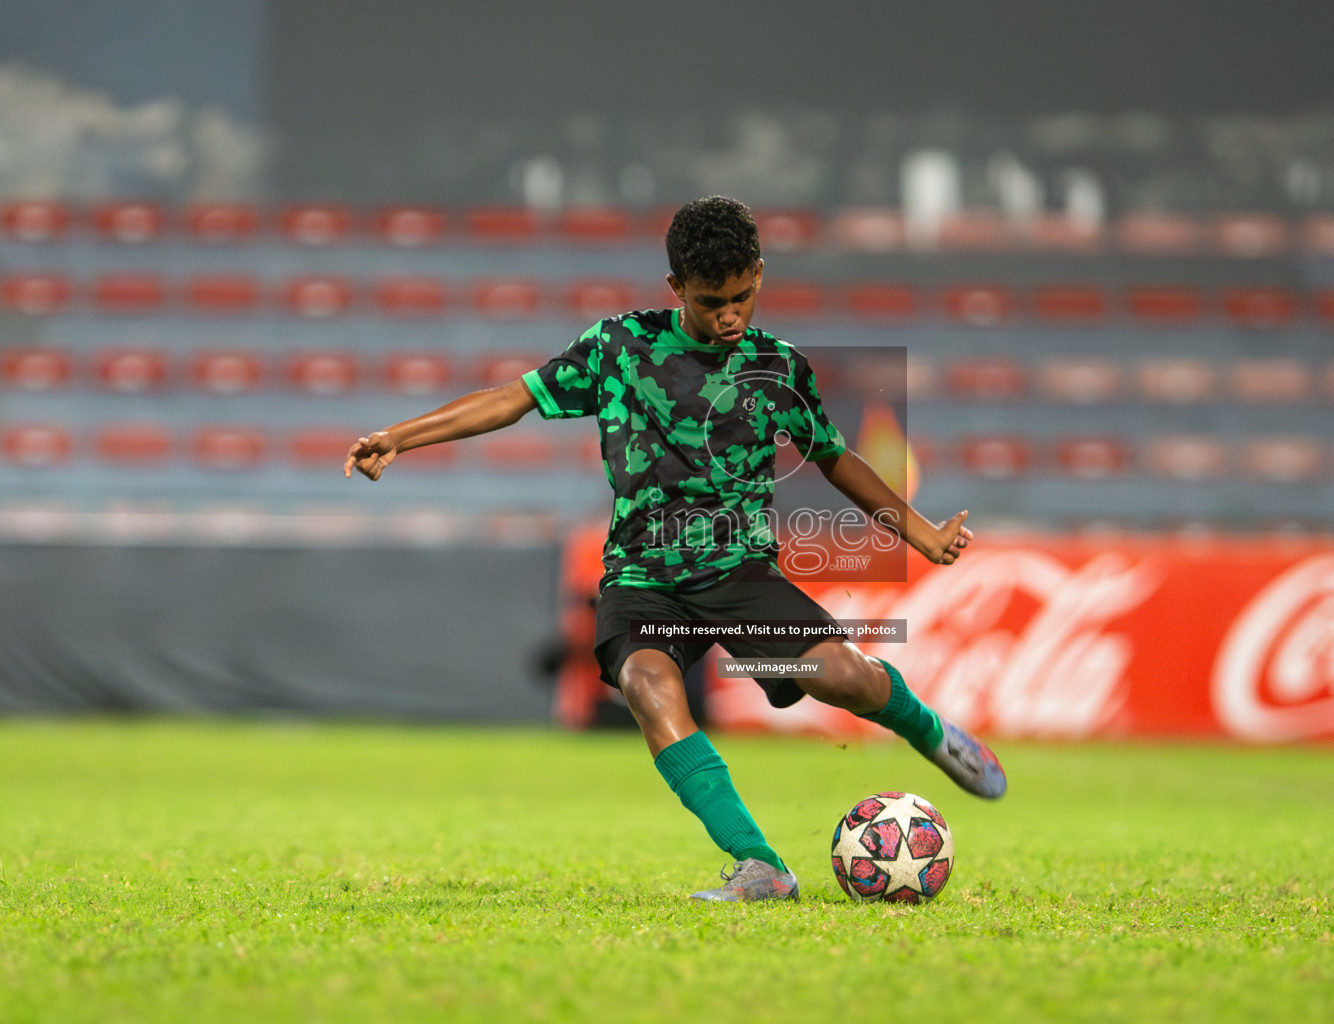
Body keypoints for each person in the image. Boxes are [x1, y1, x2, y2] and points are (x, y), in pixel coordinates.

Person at [344, 196, 1006, 902]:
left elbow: (836, 459)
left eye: (742, 297)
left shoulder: (778, 369)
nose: (729, 316)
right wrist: (401, 436)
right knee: (648, 687)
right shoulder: (617, 349)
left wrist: (920, 532)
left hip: (739, 575)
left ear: (759, 273)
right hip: (643, 579)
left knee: (843, 677)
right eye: (710, 301)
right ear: (675, 290)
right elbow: (515, 397)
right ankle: (762, 866)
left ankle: (930, 732)